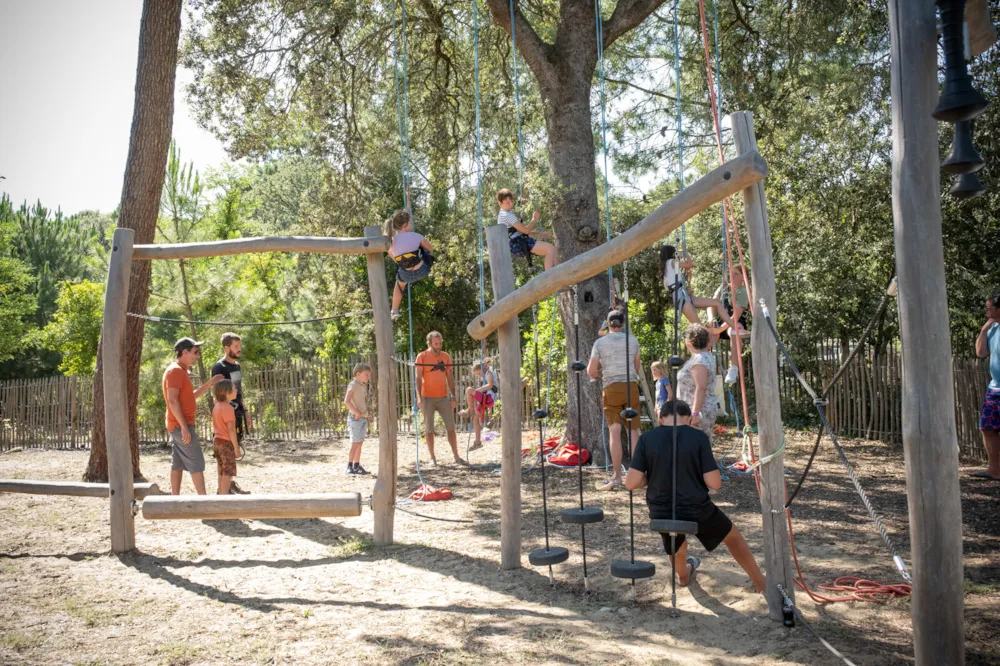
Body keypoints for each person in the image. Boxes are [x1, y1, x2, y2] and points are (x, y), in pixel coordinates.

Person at [625, 399, 766, 592]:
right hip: (695, 507)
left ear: (660, 418)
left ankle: (683, 577)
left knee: (676, 545)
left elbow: (631, 483)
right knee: (732, 538)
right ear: (690, 419)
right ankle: (761, 583)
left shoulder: (646, 439)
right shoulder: (698, 438)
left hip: (661, 510)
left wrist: (651, 477)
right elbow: (714, 483)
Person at [588, 309, 641, 491]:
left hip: (611, 387)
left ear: (609, 324)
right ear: (623, 324)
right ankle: (636, 476)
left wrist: (602, 372)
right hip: (631, 386)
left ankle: (617, 476)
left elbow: (591, 371)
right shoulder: (632, 340)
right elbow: (636, 366)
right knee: (633, 430)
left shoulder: (600, 343)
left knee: (615, 432)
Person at [163, 338, 222, 495]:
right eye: (195, 352)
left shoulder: (180, 371)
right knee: (196, 461)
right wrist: (184, 427)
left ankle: (174, 499)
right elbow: (172, 400)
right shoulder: (175, 371)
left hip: (178, 424)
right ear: (185, 352)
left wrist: (209, 384)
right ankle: (203, 502)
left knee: (178, 462)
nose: (198, 356)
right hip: (180, 425)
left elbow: (190, 396)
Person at [659, 245, 748, 338]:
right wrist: (684, 251)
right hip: (681, 297)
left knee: (716, 303)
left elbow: (679, 280)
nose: (677, 256)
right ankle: (701, 346)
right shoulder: (671, 262)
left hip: (683, 296)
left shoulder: (668, 268)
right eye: (675, 253)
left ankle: (734, 327)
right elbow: (690, 264)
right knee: (700, 328)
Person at [415, 331, 465, 466]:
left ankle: (456, 456)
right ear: (430, 343)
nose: (438, 345)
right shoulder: (422, 356)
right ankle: (432, 458)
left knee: (451, 427)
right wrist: (419, 397)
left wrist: (453, 396)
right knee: (429, 429)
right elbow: (418, 378)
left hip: (443, 397)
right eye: (436, 343)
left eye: (440, 343)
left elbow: (449, 377)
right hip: (427, 398)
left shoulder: (446, 356)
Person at [211, 332, 251, 494]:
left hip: (238, 415)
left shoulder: (237, 366)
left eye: (239, 346)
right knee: (225, 453)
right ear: (227, 348)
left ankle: (229, 484)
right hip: (226, 417)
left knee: (232, 450)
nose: (239, 349)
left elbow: (239, 392)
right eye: (236, 347)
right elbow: (217, 394)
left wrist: (246, 411)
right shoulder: (219, 367)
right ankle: (222, 488)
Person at [385, 209, 434, 321]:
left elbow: (395, 259)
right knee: (424, 250)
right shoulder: (416, 236)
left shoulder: (390, 241)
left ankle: (394, 310)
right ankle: (421, 263)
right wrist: (429, 259)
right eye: (411, 223)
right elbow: (430, 249)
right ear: (405, 225)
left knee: (399, 285)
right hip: (422, 270)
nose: (412, 225)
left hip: (405, 274)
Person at [496, 188, 558, 271]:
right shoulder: (507, 215)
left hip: (515, 243)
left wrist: (541, 234)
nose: (511, 204)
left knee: (553, 250)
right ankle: (551, 277)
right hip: (517, 243)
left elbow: (519, 232)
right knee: (550, 249)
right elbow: (525, 231)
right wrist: (534, 219)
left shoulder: (503, 214)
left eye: (511, 201)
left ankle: (558, 274)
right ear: (500, 204)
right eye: (507, 203)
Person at [675, 324, 718, 439]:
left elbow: (701, 387)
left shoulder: (699, 360)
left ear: (689, 341)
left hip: (698, 411)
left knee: (695, 446)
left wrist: (695, 413)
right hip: (694, 409)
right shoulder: (704, 356)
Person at [974, 289, 1000, 480]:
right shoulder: (992, 329)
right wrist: (984, 329)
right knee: (987, 427)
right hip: (994, 388)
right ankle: (994, 469)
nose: (986, 310)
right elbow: (981, 353)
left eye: (989, 308)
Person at [708, 268, 750, 384]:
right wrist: (711, 318)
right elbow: (710, 303)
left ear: (743, 277)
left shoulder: (742, 291)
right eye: (731, 273)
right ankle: (704, 363)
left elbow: (736, 315)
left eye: (736, 274)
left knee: (734, 331)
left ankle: (734, 367)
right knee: (703, 333)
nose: (732, 276)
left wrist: (720, 329)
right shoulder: (723, 288)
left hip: (735, 321)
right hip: (720, 321)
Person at [211, 379, 243, 495]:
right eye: (234, 388)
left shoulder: (216, 407)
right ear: (227, 392)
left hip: (217, 441)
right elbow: (231, 430)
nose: (236, 390)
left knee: (221, 470)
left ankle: (220, 494)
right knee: (228, 472)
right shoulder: (228, 408)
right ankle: (224, 498)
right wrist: (236, 448)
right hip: (225, 442)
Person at [458, 359, 497, 451]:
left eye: (479, 374)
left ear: (482, 369)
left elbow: (490, 385)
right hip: (485, 399)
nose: (479, 376)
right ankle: (477, 442)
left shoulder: (489, 373)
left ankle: (469, 410)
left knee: (468, 390)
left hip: (489, 399)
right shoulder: (485, 374)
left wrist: (478, 389)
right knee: (475, 418)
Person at [344, 362, 372, 476]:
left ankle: (357, 466)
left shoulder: (363, 386)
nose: (368, 377)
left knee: (360, 443)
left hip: (362, 418)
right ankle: (349, 467)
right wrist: (356, 412)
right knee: (355, 443)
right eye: (366, 374)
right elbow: (346, 401)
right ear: (358, 374)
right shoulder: (353, 385)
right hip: (355, 419)